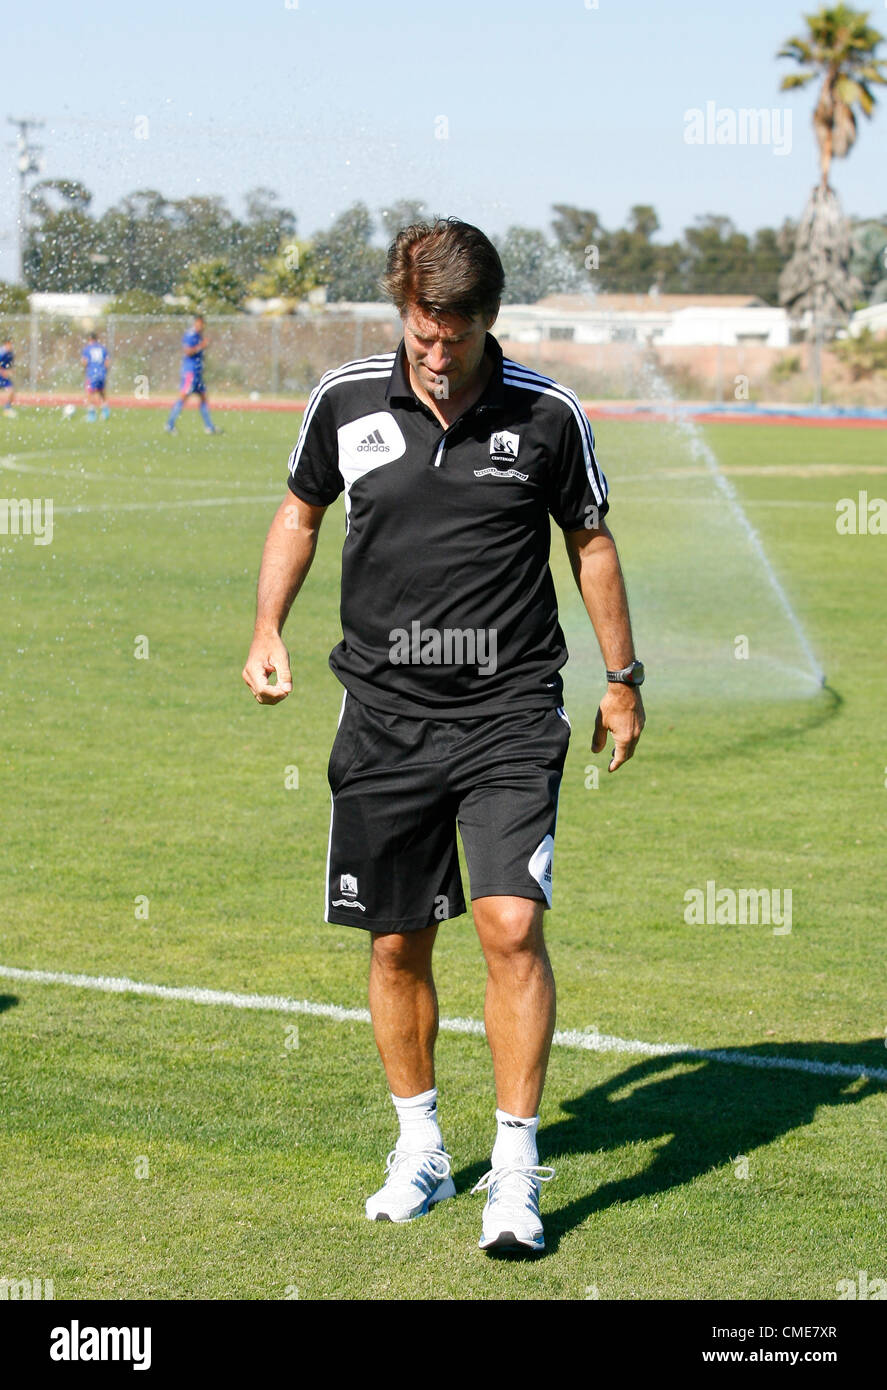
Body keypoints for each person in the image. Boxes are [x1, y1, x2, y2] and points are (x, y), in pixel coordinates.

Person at [242, 218, 645, 1254]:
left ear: (485, 322)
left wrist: (622, 679)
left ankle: (514, 1172)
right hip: (381, 717)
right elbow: (299, 513)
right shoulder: (342, 398)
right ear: (402, 312)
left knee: (509, 925)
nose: (434, 351)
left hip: (509, 711)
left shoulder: (546, 414)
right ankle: (419, 1147)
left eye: (452, 334)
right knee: (395, 939)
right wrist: (265, 630)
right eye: (421, 330)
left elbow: (588, 541)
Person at [165, 314, 218, 434]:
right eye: (198, 323)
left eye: (202, 324)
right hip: (190, 372)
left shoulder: (199, 336)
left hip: (197, 373)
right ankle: (170, 424)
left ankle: (209, 426)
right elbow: (188, 351)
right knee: (183, 397)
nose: (200, 326)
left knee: (204, 398)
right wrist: (201, 346)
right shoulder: (191, 335)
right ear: (195, 323)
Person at [81, 331, 110, 422]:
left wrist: (85, 370)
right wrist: (104, 371)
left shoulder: (87, 349)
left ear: (89, 339)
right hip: (101, 372)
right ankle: (105, 410)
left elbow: (84, 361)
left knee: (89, 393)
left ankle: (91, 414)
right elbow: (107, 362)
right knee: (101, 392)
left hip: (92, 372)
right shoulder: (103, 348)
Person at [1, 337, 17, 417]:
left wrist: (11, 371)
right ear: (6, 344)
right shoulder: (2, 353)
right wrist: (3, 371)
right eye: (9, 344)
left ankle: (7, 409)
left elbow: (10, 366)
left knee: (11, 391)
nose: (11, 346)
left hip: (3, 378)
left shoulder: (10, 354)